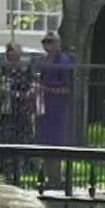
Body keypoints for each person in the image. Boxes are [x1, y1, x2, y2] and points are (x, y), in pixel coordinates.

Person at [0, 41, 39, 184]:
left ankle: (19, 173)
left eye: (12, 50)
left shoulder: (25, 69)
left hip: (21, 111)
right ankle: (6, 173)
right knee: (5, 141)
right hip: (6, 112)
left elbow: (33, 86)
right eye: (8, 51)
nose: (9, 53)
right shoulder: (3, 69)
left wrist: (23, 95)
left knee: (21, 142)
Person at [36, 30, 76, 188]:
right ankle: (49, 176)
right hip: (44, 107)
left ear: (58, 43)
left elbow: (67, 89)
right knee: (44, 141)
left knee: (57, 142)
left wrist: (46, 89)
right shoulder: (43, 61)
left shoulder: (64, 62)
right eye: (45, 42)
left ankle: (57, 177)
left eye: (50, 42)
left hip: (58, 108)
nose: (47, 45)